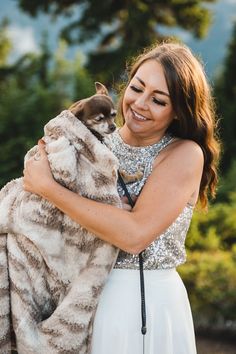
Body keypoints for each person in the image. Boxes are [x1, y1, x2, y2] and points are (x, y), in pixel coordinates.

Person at [23, 41, 220, 354]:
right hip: (74, 302)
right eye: (136, 88)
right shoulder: (89, 141)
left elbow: (134, 235)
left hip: (145, 306)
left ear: (179, 111)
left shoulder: (184, 154)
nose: (140, 104)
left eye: (158, 100)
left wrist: (49, 188)